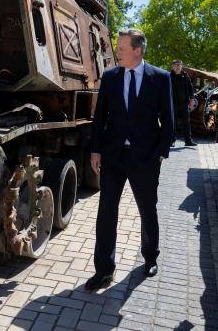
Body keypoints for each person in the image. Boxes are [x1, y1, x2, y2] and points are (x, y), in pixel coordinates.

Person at [86, 28, 174, 291]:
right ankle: (103, 270)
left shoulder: (160, 78)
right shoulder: (111, 76)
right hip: (113, 156)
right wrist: (95, 149)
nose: (117, 52)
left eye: (122, 48)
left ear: (137, 50)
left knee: (147, 209)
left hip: (145, 158)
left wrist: (160, 154)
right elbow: (100, 116)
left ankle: (149, 258)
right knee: (106, 213)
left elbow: (168, 121)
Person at [170, 60, 197, 147]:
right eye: (176, 65)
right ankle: (171, 141)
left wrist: (192, 99)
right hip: (172, 103)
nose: (177, 66)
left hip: (184, 103)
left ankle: (188, 141)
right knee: (172, 122)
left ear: (182, 66)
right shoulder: (168, 76)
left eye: (179, 65)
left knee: (186, 122)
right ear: (172, 66)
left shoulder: (185, 75)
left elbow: (190, 88)